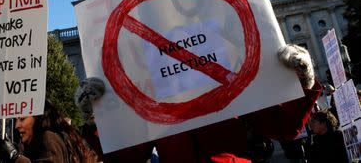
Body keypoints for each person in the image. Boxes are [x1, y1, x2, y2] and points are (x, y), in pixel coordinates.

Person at [76, 44, 323, 163]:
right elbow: (124, 158)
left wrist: (304, 81)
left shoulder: (233, 87)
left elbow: (285, 127)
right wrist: (99, 118)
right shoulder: (150, 106)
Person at [0, 100, 98, 163]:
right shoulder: (57, 137)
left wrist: (15, 157)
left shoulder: (49, 139)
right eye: (16, 120)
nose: (17, 125)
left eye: (22, 119)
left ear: (38, 118)